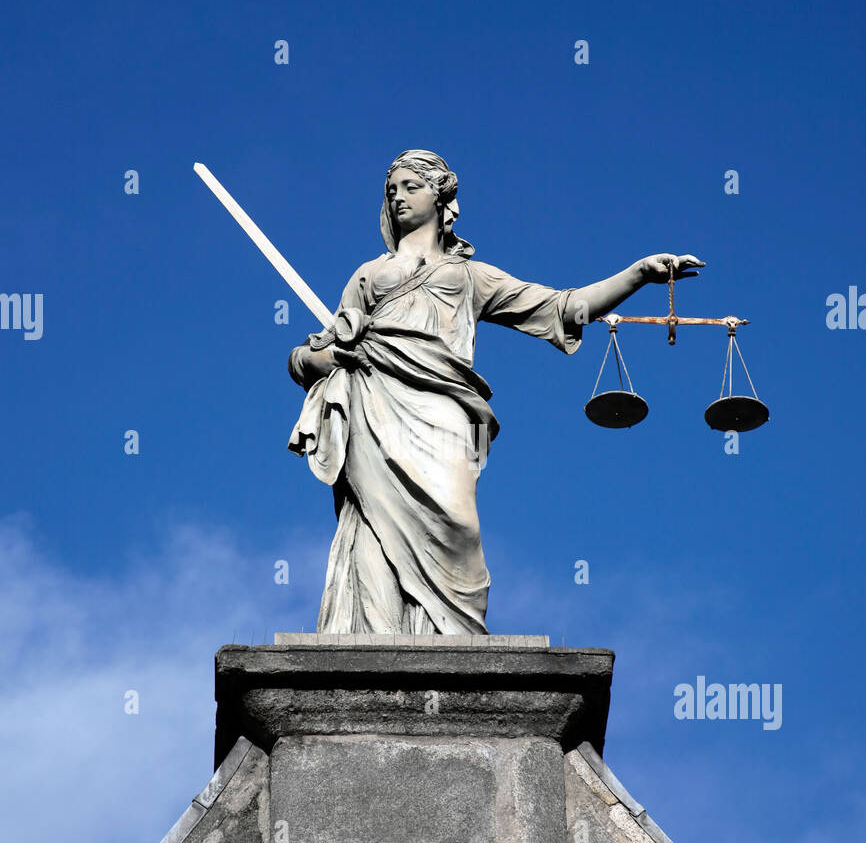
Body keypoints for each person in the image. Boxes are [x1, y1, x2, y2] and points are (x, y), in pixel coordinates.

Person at [288, 149, 702, 634]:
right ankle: (377, 635)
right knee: (374, 528)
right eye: (392, 190)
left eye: (411, 187)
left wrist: (639, 273)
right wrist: (332, 358)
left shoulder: (469, 277)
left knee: (458, 527)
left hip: (444, 414)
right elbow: (305, 358)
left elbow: (564, 307)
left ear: (441, 195)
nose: (398, 197)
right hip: (373, 407)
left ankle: (451, 639)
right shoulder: (367, 276)